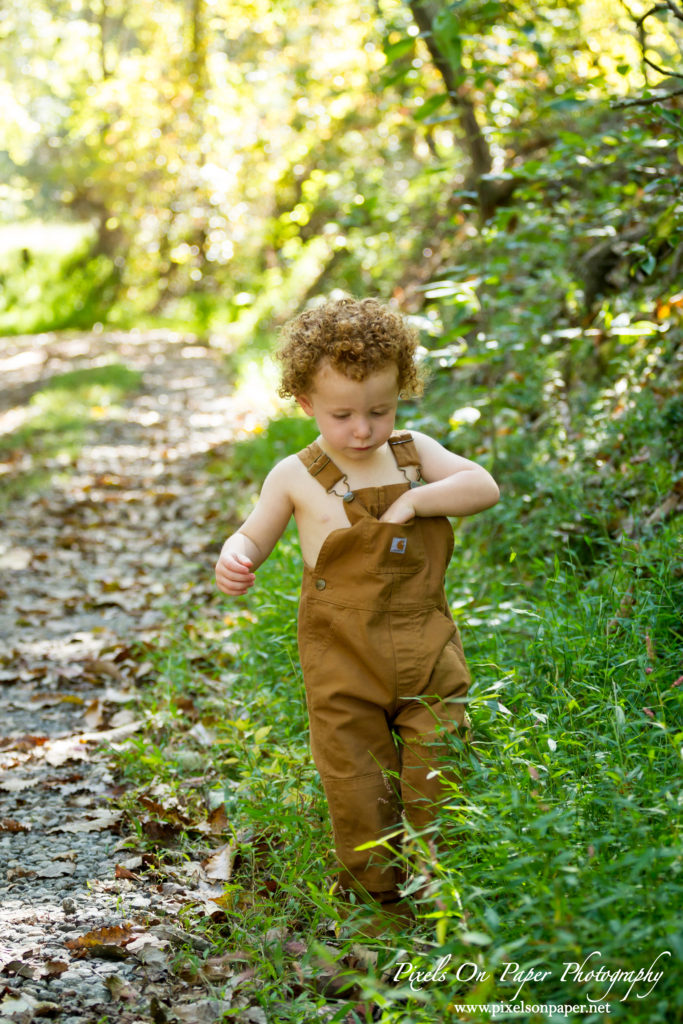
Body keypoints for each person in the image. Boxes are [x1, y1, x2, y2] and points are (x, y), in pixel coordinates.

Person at [215, 297, 499, 925]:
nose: (363, 430)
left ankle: (443, 888)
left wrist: (418, 502)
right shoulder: (295, 475)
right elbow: (253, 535)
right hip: (343, 659)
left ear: (401, 393)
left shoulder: (413, 454)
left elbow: (484, 486)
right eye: (343, 414)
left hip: (426, 647)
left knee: (440, 762)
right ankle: (377, 904)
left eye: (381, 409)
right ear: (307, 404)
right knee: (357, 783)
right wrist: (236, 556)